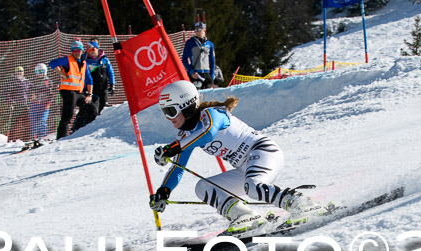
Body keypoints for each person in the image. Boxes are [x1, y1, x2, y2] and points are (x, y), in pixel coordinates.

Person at [149, 80, 325, 235]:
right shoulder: (186, 135)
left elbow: (208, 133)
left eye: (171, 111)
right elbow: (178, 168)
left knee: (253, 188)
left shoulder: (211, 114)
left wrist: (173, 148)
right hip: (244, 168)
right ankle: (245, 217)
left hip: (264, 151)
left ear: (187, 107)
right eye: (165, 112)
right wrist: (163, 192)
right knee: (203, 187)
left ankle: (302, 204)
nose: (168, 118)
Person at [48, 40, 98, 139]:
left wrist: (89, 95)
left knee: (92, 109)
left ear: (82, 51)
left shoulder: (83, 63)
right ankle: (61, 138)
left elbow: (89, 80)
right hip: (68, 91)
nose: (76, 52)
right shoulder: (68, 60)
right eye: (74, 51)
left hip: (79, 92)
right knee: (68, 115)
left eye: (78, 50)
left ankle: (82, 131)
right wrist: (62, 74)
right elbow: (52, 63)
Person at [26, 63, 53, 148]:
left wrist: (49, 103)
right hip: (34, 104)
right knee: (34, 121)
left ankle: (42, 136)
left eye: (41, 71)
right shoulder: (33, 81)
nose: (40, 73)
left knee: (42, 120)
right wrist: (31, 97)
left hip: (43, 105)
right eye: (38, 71)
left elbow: (51, 93)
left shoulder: (48, 81)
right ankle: (34, 137)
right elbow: (29, 91)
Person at [85, 40, 116, 115]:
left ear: (97, 48)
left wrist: (112, 84)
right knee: (94, 110)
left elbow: (110, 72)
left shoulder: (104, 59)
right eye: (89, 50)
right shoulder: (87, 61)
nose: (91, 51)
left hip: (104, 89)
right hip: (93, 89)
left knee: (104, 109)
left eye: (92, 49)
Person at [182, 22, 215, 89]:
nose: (197, 31)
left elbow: (212, 60)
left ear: (204, 29)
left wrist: (211, 75)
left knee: (208, 95)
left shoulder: (210, 44)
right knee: (196, 94)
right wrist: (191, 71)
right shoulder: (190, 42)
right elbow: (184, 58)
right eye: (196, 30)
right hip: (195, 74)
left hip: (206, 73)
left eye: (199, 29)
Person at [4, 66, 32, 141]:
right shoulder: (12, 82)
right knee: (14, 123)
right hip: (16, 105)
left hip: (25, 105)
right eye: (17, 72)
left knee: (27, 123)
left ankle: (27, 138)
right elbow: (6, 93)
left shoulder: (27, 82)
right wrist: (10, 103)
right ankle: (11, 139)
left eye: (21, 72)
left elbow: (33, 90)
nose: (19, 73)